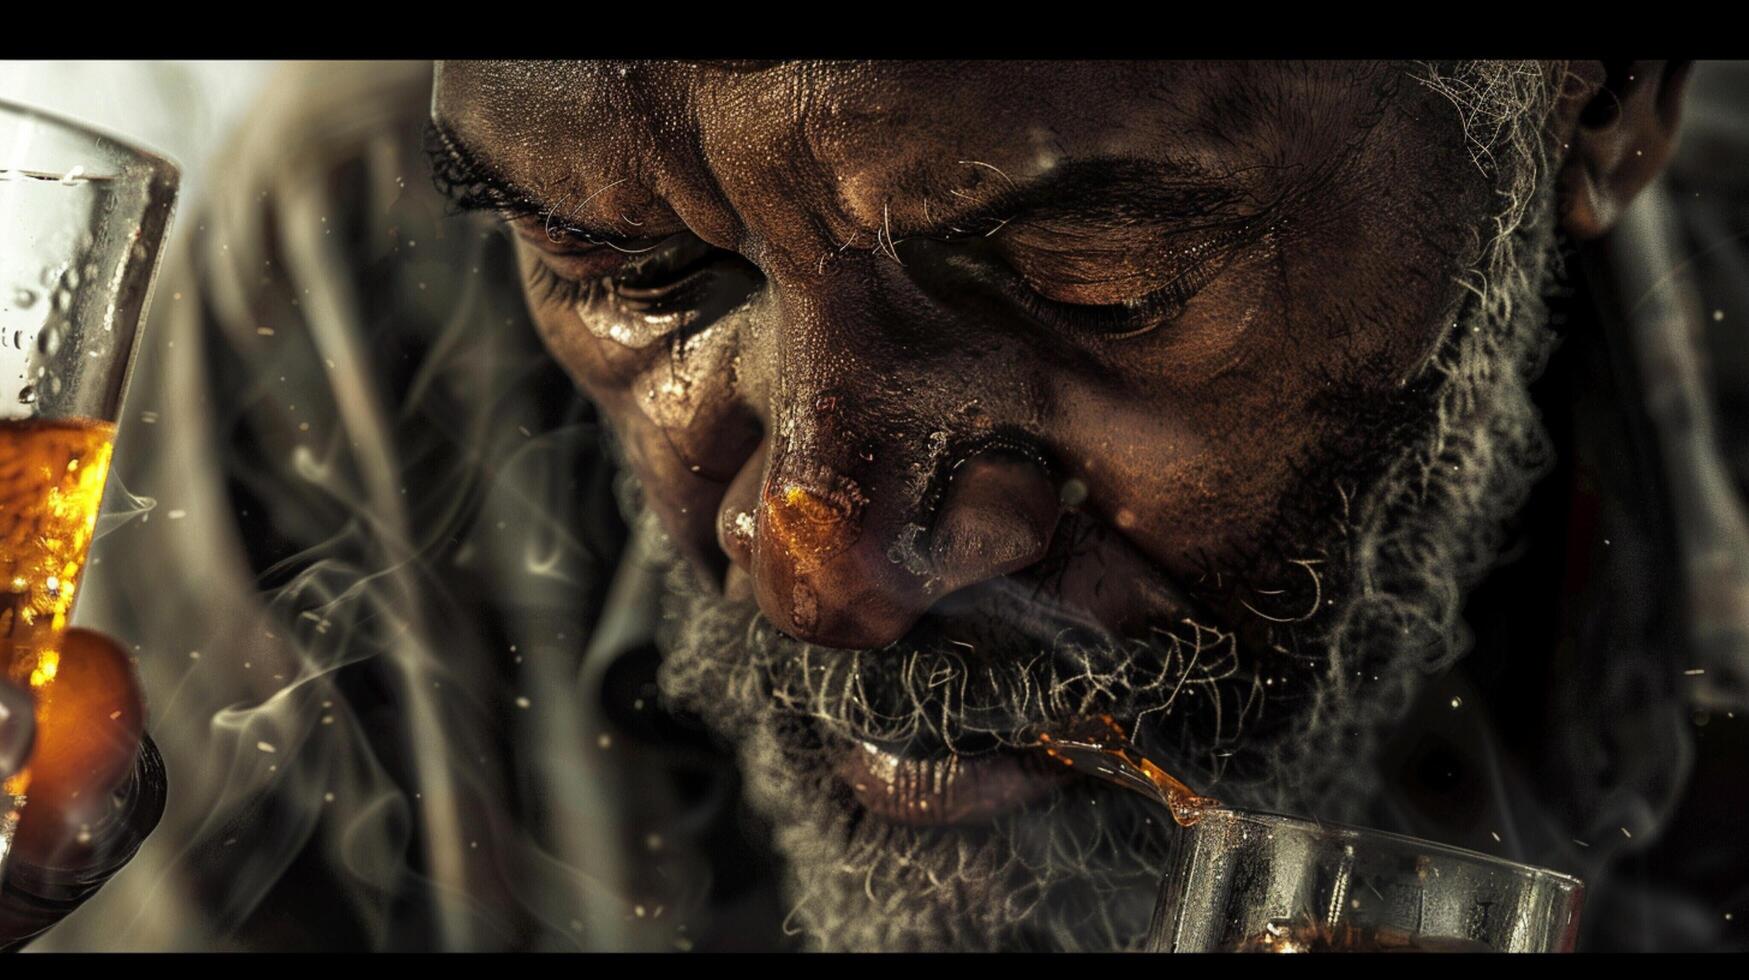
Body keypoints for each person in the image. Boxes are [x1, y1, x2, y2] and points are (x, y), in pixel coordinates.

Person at [25, 59, 1749, 951]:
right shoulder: (364, 265)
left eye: (1086, 282)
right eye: (621, 270)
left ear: (1593, 94)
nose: (818, 567)